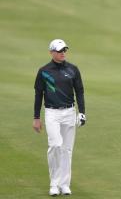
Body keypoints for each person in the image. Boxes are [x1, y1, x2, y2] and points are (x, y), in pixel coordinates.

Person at [32, 39, 86, 196]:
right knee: (55, 145)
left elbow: (80, 91)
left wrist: (81, 112)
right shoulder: (44, 71)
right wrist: (36, 117)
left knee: (66, 150)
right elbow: (38, 94)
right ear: (51, 52)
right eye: (60, 50)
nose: (63, 53)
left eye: (65, 50)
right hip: (52, 113)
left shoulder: (73, 69)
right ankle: (54, 184)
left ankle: (64, 184)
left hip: (69, 112)